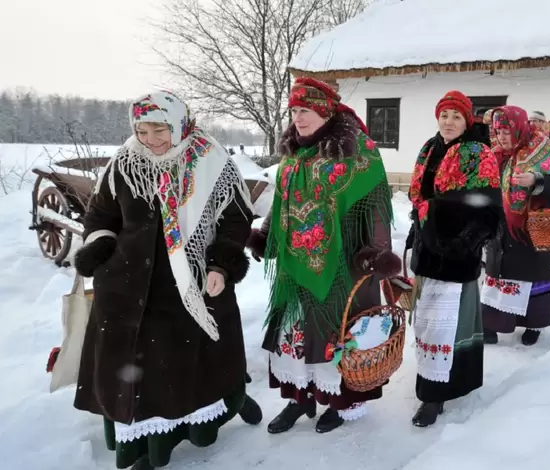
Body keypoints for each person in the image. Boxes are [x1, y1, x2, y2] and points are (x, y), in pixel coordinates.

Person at [72, 90, 261, 470]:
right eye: (142, 130)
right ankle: (136, 441)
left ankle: (177, 436)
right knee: (128, 364)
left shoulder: (211, 161)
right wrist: (100, 250)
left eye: (160, 129)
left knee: (184, 367)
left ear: (179, 124)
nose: (151, 140)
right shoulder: (125, 161)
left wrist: (221, 266)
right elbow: (101, 217)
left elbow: (236, 219)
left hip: (191, 285)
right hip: (126, 286)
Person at [246, 77, 401, 435]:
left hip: (344, 263)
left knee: (338, 336)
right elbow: (282, 202)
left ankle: (343, 402)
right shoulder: (293, 155)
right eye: (295, 110)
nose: (299, 118)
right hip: (294, 265)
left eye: (307, 110)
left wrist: (377, 252)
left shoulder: (357, 151)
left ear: (325, 110)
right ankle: (301, 399)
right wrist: (264, 236)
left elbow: (375, 203)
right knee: (297, 334)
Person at [404, 90, 502, 427]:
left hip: (457, 251)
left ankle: (435, 395)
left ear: (467, 120)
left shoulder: (480, 153)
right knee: (426, 323)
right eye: (444, 115)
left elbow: (489, 207)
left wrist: (466, 241)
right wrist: (420, 220)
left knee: (447, 324)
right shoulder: (429, 148)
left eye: (455, 116)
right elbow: (418, 193)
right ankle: (431, 379)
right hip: (428, 247)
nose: (448, 122)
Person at [481, 105, 550, 346]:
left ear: (519, 128)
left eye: (507, 131)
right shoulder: (495, 154)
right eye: (498, 131)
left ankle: (533, 324)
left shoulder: (541, 149)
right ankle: (491, 324)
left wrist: (536, 180)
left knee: (530, 278)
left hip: (531, 229)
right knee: (498, 276)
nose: (502, 137)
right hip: (501, 229)